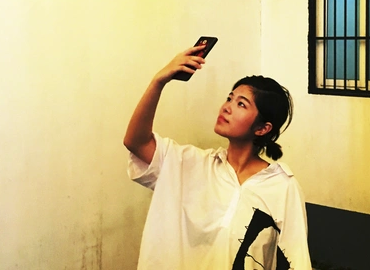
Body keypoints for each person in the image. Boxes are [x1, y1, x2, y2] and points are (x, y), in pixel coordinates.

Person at [124, 44, 313, 270]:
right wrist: (159, 81)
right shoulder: (191, 164)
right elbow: (137, 142)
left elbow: (296, 260)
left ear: (263, 128)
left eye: (241, 104)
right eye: (229, 98)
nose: (227, 107)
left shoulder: (282, 187)